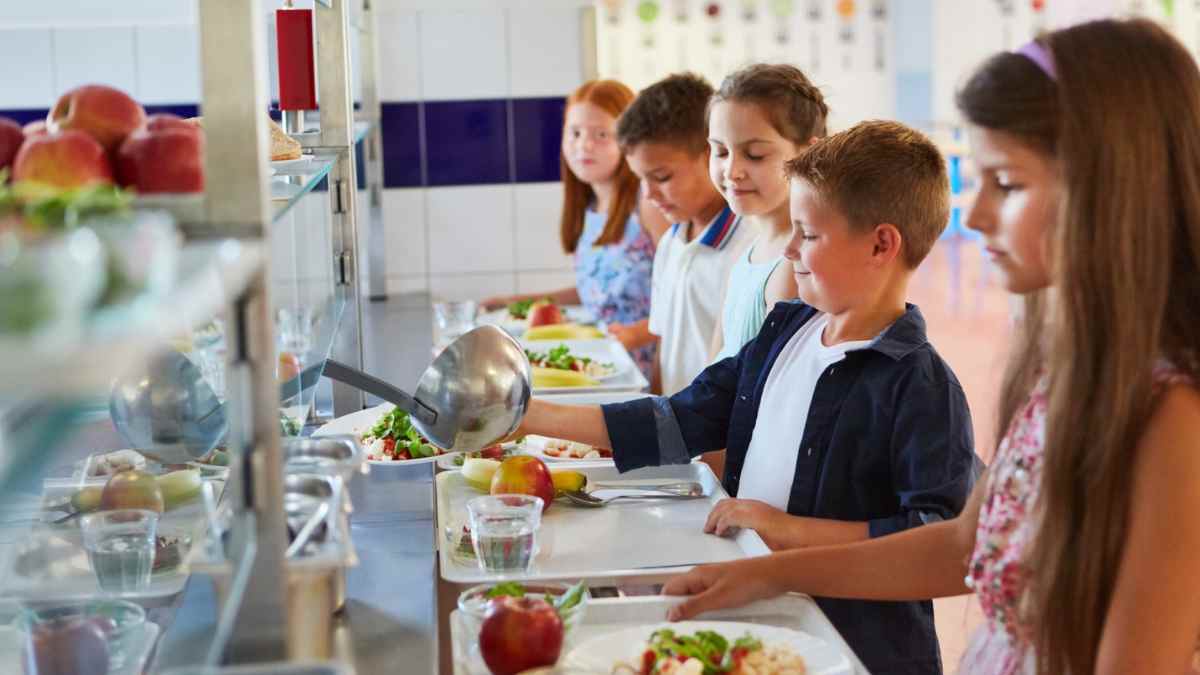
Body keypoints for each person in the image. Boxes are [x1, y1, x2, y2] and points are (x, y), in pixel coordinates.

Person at [661, 19, 1200, 675]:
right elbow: (962, 544)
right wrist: (767, 573)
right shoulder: (1070, 370)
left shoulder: (1173, 415)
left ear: (1111, 187)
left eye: (1007, 182)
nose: (972, 218)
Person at [518, 120, 981, 675]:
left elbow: (934, 541)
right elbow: (680, 419)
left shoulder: (923, 387)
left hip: (861, 652)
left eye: (807, 234)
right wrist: (528, 417)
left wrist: (787, 530)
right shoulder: (785, 331)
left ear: (881, 244)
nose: (789, 248)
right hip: (766, 625)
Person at [482, 79, 668, 377]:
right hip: (601, 366)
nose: (584, 145)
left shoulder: (648, 203)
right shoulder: (591, 205)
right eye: (575, 132)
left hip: (642, 373)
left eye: (602, 134)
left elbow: (686, 299)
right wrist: (515, 303)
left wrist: (636, 335)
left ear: (629, 138)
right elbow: (596, 293)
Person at [617, 72, 750, 395]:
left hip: (718, 440)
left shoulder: (748, 246)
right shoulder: (671, 242)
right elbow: (664, 344)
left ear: (712, 154)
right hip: (679, 437)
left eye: (661, 177)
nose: (648, 194)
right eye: (640, 179)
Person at [707, 64, 826, 362]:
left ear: (808, 154)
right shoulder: (747, 250)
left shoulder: (796, 266)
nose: (731, 171)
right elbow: (711, 371)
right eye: (720, 152)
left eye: (755, 155)